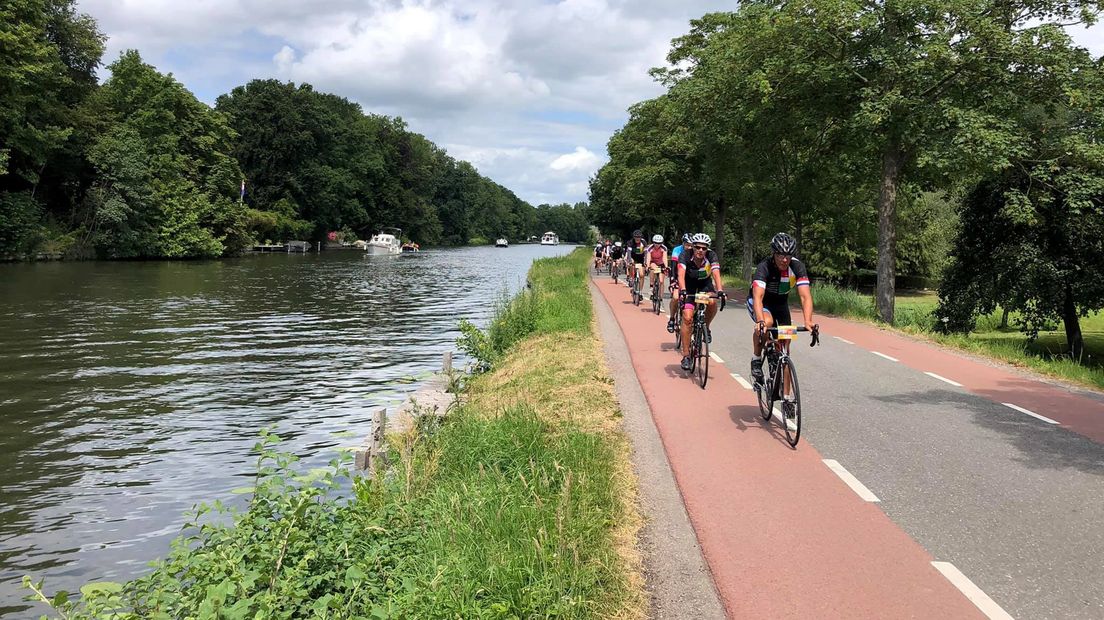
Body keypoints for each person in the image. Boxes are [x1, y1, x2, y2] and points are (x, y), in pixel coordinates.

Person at [747, 232, 814, 382]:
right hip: (761, 303)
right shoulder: (764, 267)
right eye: (780, 255)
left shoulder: (797, 267)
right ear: (774, 254)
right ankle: (756, 358)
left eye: (788, 256)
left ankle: (787, 398)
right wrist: (760, 321)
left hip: (781, 305)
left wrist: (808, 321)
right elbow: (758, 297)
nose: (784, 260)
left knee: (785, 350)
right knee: (767, 322)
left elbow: (805, 296)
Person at [677, 233, 725, 371]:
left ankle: (706, 327)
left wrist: (720, 290)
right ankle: (686, 355)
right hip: (689, 286)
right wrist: (683, 289)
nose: (700, 251)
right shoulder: (685, 255)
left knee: (711, 302)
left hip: (705, 285)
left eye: (704, 248)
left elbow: (716, 273)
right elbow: (681, 274)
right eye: (697, 247)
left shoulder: (711, 256)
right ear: (692, 247)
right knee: (687, 318)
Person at [667, 234, 691, 332]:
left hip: (689, 278)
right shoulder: (677, 250)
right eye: (687, 245)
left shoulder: (694, 252)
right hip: (677, 276)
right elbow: (673, 266)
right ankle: (672, 319)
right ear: (683, 243)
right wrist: (673, 280)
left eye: (691, 245)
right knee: (676, 298)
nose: (689, 247)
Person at [644, 234, 668, 303]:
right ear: (653, 242)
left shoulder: (664, 248)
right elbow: (648, 258)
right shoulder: (650, 248)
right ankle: (651, 286)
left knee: (661, 281)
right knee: (653, 268)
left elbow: (665, 258)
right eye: (656, 243)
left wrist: (666, 267)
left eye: (659, 243)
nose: (657, 245)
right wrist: (647, 266)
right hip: (653, 262)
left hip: (661, 263)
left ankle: (660, 296)